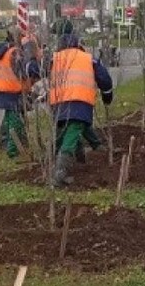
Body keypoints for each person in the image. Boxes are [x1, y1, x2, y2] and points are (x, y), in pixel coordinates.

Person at [48, 28, 113, 186]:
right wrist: (107, 95)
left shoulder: (53, 59)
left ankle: (84, 156)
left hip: (58, 104)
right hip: (79, 102)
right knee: (72, 133)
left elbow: (36, 71)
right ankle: (60, 174)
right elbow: (104, 79)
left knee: (66, 131)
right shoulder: (88, 59)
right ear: (78, 44)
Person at [0, 28, 41, 158]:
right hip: (13, 91)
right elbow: (22, 74)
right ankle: (12, 151)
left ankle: (4, 145)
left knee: (9, 119)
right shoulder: (15, 53)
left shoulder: (4, 51)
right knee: (16, 121)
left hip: (3, 91)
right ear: (19, 38)